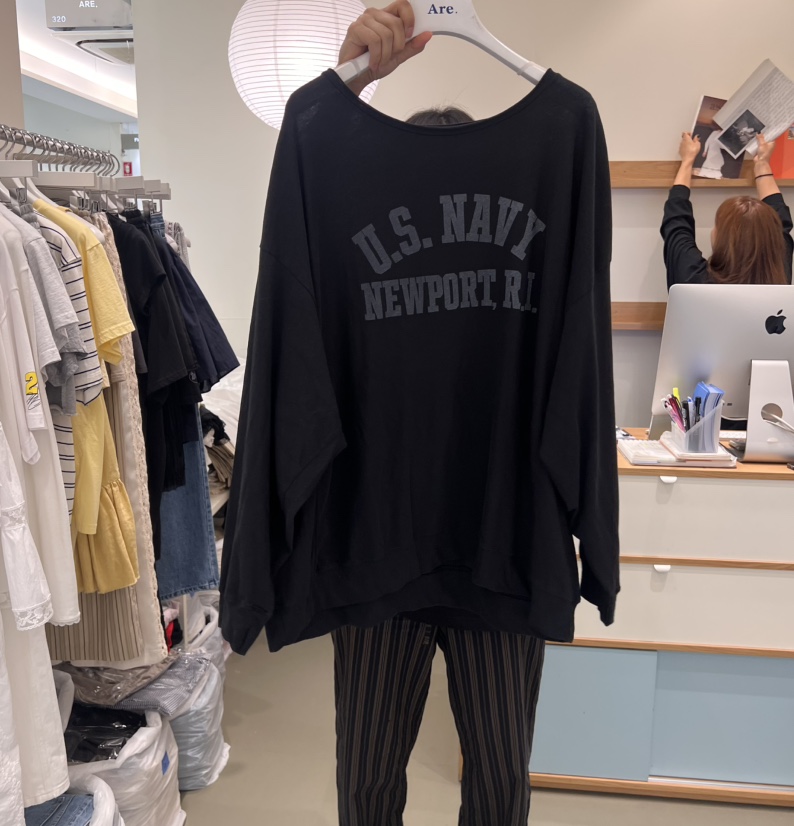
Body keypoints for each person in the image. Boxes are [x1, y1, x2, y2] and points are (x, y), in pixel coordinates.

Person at [329, 3, 545, 826]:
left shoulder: (527, 244)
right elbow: (308, 200)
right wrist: (349, 79)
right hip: (384, 551)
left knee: (496, 778)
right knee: (372, 776)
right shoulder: (355, 249)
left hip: (497, 547)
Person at [661, 131, 793, 288]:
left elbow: (677, 224)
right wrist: (762, 164)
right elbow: (780, 223)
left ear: (721, 237)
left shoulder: (693, 278)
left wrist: (687, 161)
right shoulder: (778, 272)